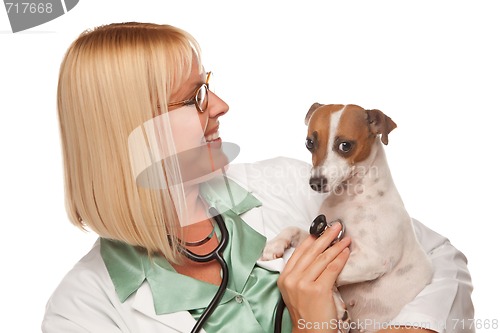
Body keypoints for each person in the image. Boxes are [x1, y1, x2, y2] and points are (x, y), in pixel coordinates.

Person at [42, 22, 474, 333]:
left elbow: (438, 258)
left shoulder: (287, 185)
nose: (221, 105)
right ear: (131, 132)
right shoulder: (81, 313)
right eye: (195, 98)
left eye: (207, 86)